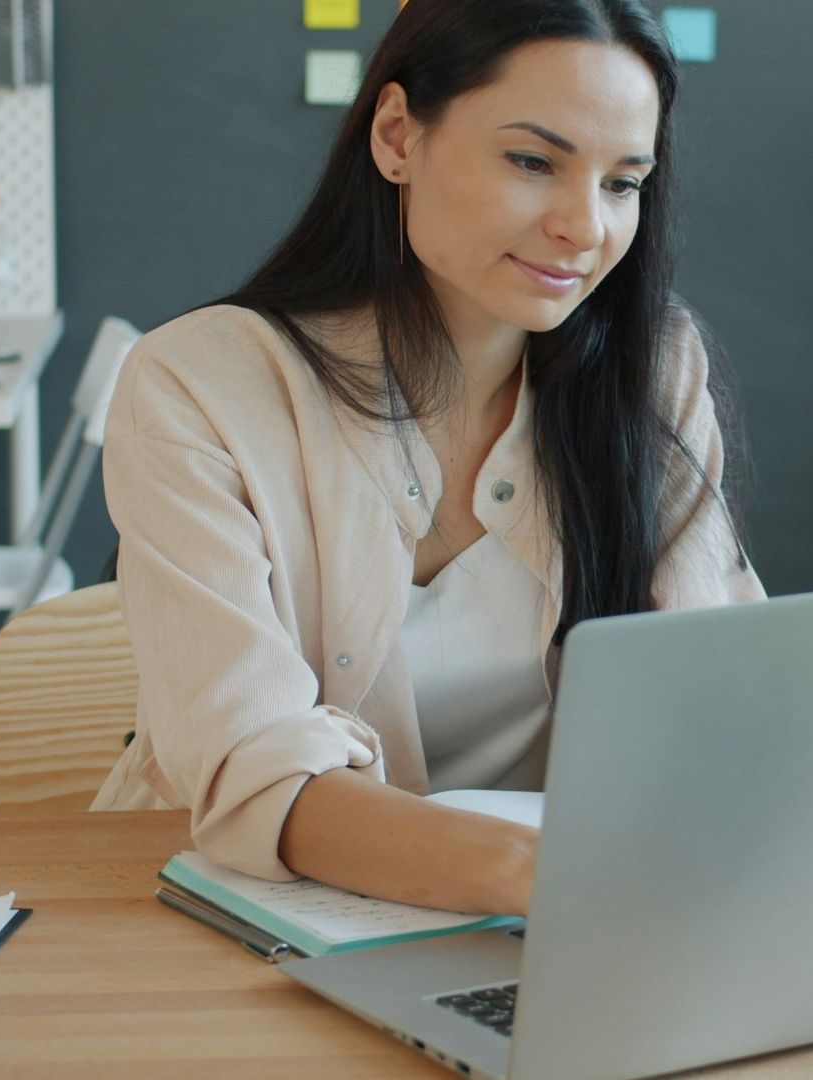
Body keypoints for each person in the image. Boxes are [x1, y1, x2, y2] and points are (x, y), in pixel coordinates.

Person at [91, 0, 764, 917]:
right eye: (534, 162)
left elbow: (716, 692)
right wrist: (549, 877)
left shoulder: (653, 369)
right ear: (399, 136)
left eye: (622, 183)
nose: (584, 226)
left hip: (547, 931)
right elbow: (257, 776)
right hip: (240, 921)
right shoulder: (199, 384)